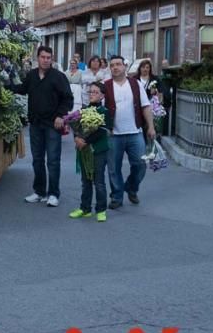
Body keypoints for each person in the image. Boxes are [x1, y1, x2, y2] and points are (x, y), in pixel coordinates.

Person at [9, 46, 73, 207]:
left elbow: (68, 99)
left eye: (48, 57)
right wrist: (4, 86)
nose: (45, 60)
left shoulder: (58, 77)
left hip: (52, 124)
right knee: (37, 160)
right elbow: (22, 89)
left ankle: (53, 194)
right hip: (36, 124)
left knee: (52, 160)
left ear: (51, 59)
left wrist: (60, 115)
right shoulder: (31, 75)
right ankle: (39, 192)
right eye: (43, 57)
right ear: (37, 58)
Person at [103, 55, 156, 209]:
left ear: (124, 67)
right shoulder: (105, 86)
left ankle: (131, 187)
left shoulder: (135, 83)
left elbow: (145, 106)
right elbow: (98, 109)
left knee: (140, 164)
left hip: (135, 132)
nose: (115, 67)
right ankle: (117, 196)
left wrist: (151, 127)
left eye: (118, 64)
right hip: (113, 135)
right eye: (112, 65)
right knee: (113, 168)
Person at [69, 81, 113, 222]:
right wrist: (76, 138)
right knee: (85, 180)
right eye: (90, 92)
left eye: (95, 92)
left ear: (102, 96)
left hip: (98, 150)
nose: (92, 94)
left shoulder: (105, 112)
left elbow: (103, 131)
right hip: (84, 150)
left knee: (98, 180)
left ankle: (101, 209)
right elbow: (76, 127)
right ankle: (85, 208)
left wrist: (85, 141)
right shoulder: (83, 110)